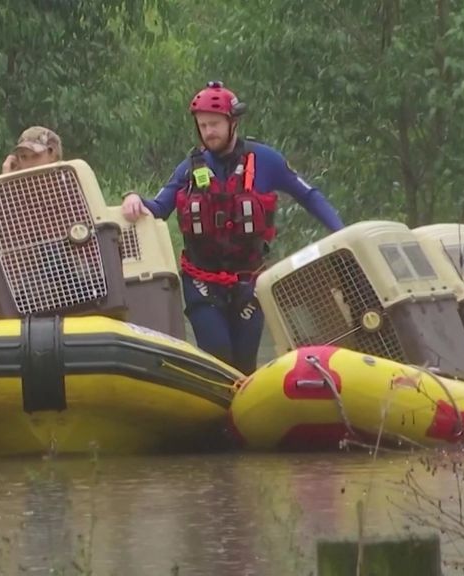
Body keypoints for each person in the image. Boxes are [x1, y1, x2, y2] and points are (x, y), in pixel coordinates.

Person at [121, 81, 344, 376]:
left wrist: (340, 233)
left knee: (244, 364)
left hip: (249, 281)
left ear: (233, 122)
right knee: (219, 355)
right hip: (201, 281)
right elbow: (159, 207)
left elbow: (309, 195)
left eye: (214, 124)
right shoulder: (189, 168)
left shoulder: (266, 160)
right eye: (203, 125)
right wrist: (133, 197)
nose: (208, 132)